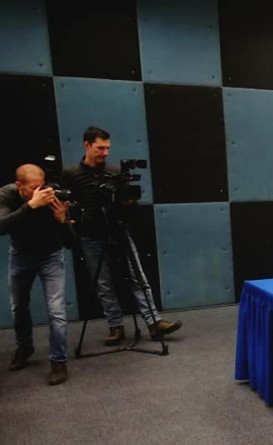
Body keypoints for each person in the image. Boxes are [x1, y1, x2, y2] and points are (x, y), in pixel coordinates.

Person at [60, 127, 182, 346]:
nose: (105, 153)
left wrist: (127, 202)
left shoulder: (117, 172)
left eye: (107, 148)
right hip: (91, 235)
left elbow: (131, 210)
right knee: (103, 283)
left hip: (119, 230)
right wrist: (73, 219)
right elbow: (65, 204)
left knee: (138, 278)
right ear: (87, 145)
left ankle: (154, 323)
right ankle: (115, 326)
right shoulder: (70, 174)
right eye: (100, 148)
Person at [0, 164, 75, 385]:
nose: (40, 192)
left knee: (56, 312)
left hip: (50, 256)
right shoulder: (7, 194)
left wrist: (62, 221)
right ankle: (24, 347)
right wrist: (30, 206)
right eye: (33, 188)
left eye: (41, 186)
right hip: (20, 256)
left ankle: (58, 362)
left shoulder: (53, 195)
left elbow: (71, 243)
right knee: (18, 307)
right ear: (19, 186)